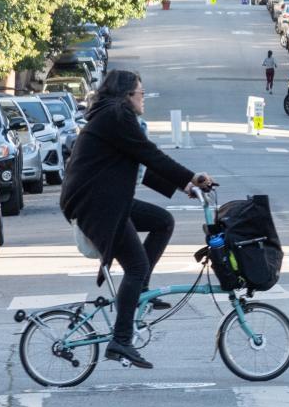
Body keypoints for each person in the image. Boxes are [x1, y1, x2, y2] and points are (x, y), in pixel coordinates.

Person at [60, 70, 213, 369]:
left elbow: (142, 165)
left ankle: (139, 291)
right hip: (97, 205)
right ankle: (121, 339)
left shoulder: (112, 117)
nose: (144, 98)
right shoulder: (117, 116)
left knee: (162, 222)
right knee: (136, 265)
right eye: (140, 93)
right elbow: (150, 154)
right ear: (126, 95)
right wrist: (191, 176)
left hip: (107, 200)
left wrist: (186, 186)